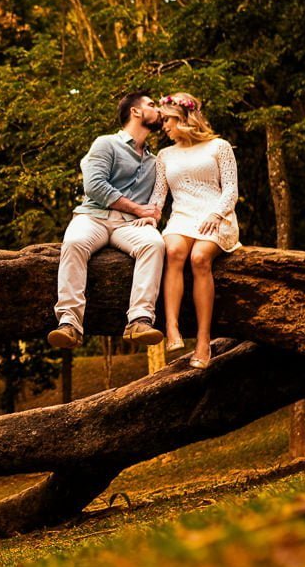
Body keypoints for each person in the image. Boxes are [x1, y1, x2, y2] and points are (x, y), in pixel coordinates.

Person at [47, 91, 167, 350]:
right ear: (135, 112)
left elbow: (157, 201)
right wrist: (138, 208)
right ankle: (69, 324)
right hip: (93, 217)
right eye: (152, 105)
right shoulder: (105, 143)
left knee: (154, 245)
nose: (158, 110)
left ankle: (139, 320)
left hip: (129, 226)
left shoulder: (156, 161)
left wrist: (151, 217)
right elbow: (94, 186)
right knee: (75, 241)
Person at [144, 91, 240, 368]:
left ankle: (202, 339)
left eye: (168, 122)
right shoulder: (165, 155)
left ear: (183, 119)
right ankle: (171, 327)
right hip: (183, 217)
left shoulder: (218, 147)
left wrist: (217, 213)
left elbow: (231, 190)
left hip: (216, 215)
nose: (164, 127)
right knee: (173, 250)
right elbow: (159, 195)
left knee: (199, 258)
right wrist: (151, 216)